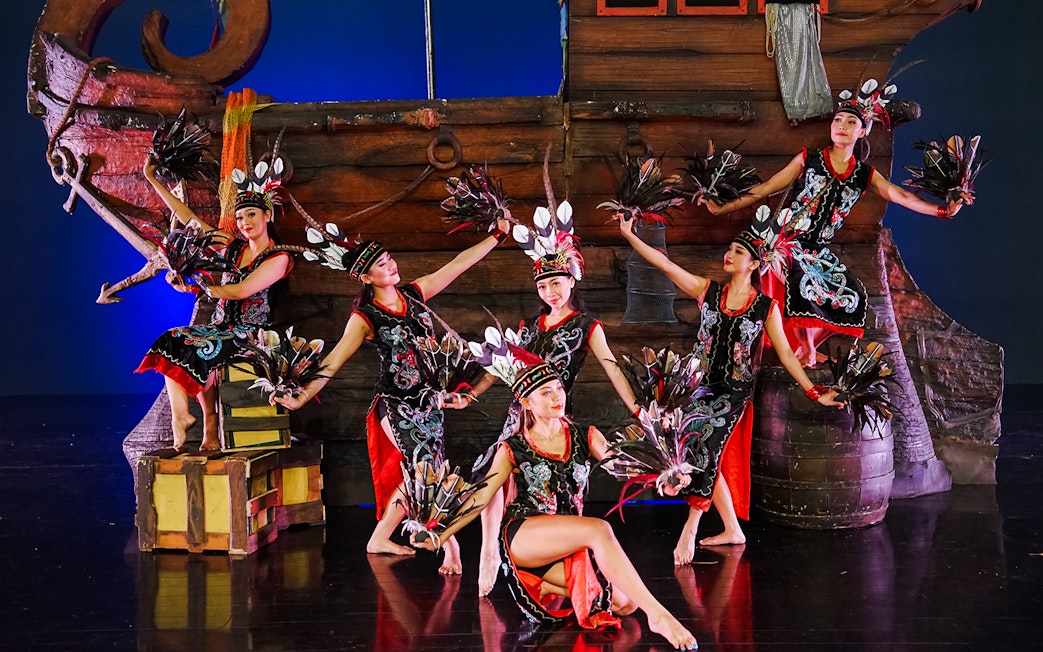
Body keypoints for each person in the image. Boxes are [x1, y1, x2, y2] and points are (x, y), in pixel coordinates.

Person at [274, 215, 512, 575]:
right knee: (425, 472)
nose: (392, 265)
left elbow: (458, 265)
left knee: (423, 474)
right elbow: (335, 360)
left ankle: (379, 538)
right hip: (397, 404)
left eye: (390, 259)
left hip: (431, 403)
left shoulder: (414, 295)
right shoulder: (365, 316)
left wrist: (497, 236)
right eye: (382, 264)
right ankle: (451, 546)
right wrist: (302, 397)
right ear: (366, 277)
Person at [412, 359, 698, 651]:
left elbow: (624, 467)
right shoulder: (513, 447)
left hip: (567, 543)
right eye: (546, 393)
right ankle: (660, 615)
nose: (557, 397)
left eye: (559, 389)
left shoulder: (585, 436)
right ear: (526, 402)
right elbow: (480, 499)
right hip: (524, 536)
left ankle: (543, 584)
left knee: (626, 604)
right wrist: (440, 535)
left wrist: (663, 480)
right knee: (599, 530)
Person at [618, 214, 842, 565]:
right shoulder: (706, 292)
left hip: (732, 394)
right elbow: (663, 263)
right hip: (696, 389)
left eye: (737, 252)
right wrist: (629, 235)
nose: (728, 254)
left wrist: (814, 391)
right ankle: (732, 529)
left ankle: (689, 528)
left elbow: (785, 353)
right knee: (704, 454)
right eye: (729, 249)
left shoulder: (766, 309)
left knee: (704, 447)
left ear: (753, 263)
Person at [701, 79, 963, 366]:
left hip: (817, 249)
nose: (841, 125)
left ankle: (807, 346)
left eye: (851, 122)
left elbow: (900, 195)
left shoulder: (863, 174)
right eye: (838, 120)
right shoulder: (809, 158)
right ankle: (807, 351)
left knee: (854, 296)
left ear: (862, 131)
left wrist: (941, 212)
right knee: (800, 281)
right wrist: (722, 207)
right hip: (784, 242)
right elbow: (765, 189)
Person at [461, 200, 639, 597]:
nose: (550, 292)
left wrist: (637, 408)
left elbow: (613, 369)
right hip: (521, 413)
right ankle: (489, 549)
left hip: (556, 415)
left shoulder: (587, 326)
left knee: (556, 489)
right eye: (542, 286)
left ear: (572, 280)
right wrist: (470, 395)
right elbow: (501, 366)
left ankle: (557, 556)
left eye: (556, 283)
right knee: (494, 472)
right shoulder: (530, 325)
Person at [136, 155, 293, 451]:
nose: (244, 223)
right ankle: (184, 417)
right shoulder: (233, 248)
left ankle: (207, 425)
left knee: (203, 347)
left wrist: (204, 287)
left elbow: (242, 290)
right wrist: (152, 179)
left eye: (251, 215)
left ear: (267, 215)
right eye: (240, 217)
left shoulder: (279, 258)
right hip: (223, 328)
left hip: (252, 336)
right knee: (171, 341)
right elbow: (191, 221)